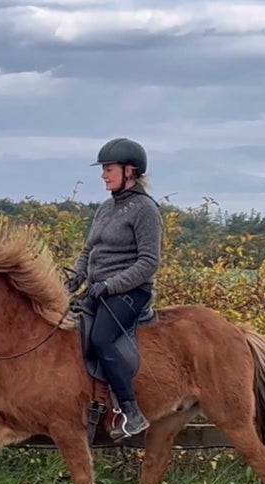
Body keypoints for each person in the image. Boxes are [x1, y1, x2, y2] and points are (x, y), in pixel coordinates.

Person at [65, 137, 163, 440]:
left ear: (130, 171)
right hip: (99, 290)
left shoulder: (145, 210)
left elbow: (149, 262)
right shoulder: (106, 208)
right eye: (103, 169)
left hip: (131, 293)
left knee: (102, 338)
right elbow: (89, 250)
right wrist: (75, 278)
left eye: (109, 169)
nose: (103, 175)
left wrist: (110, 285)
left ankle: (132, 413)